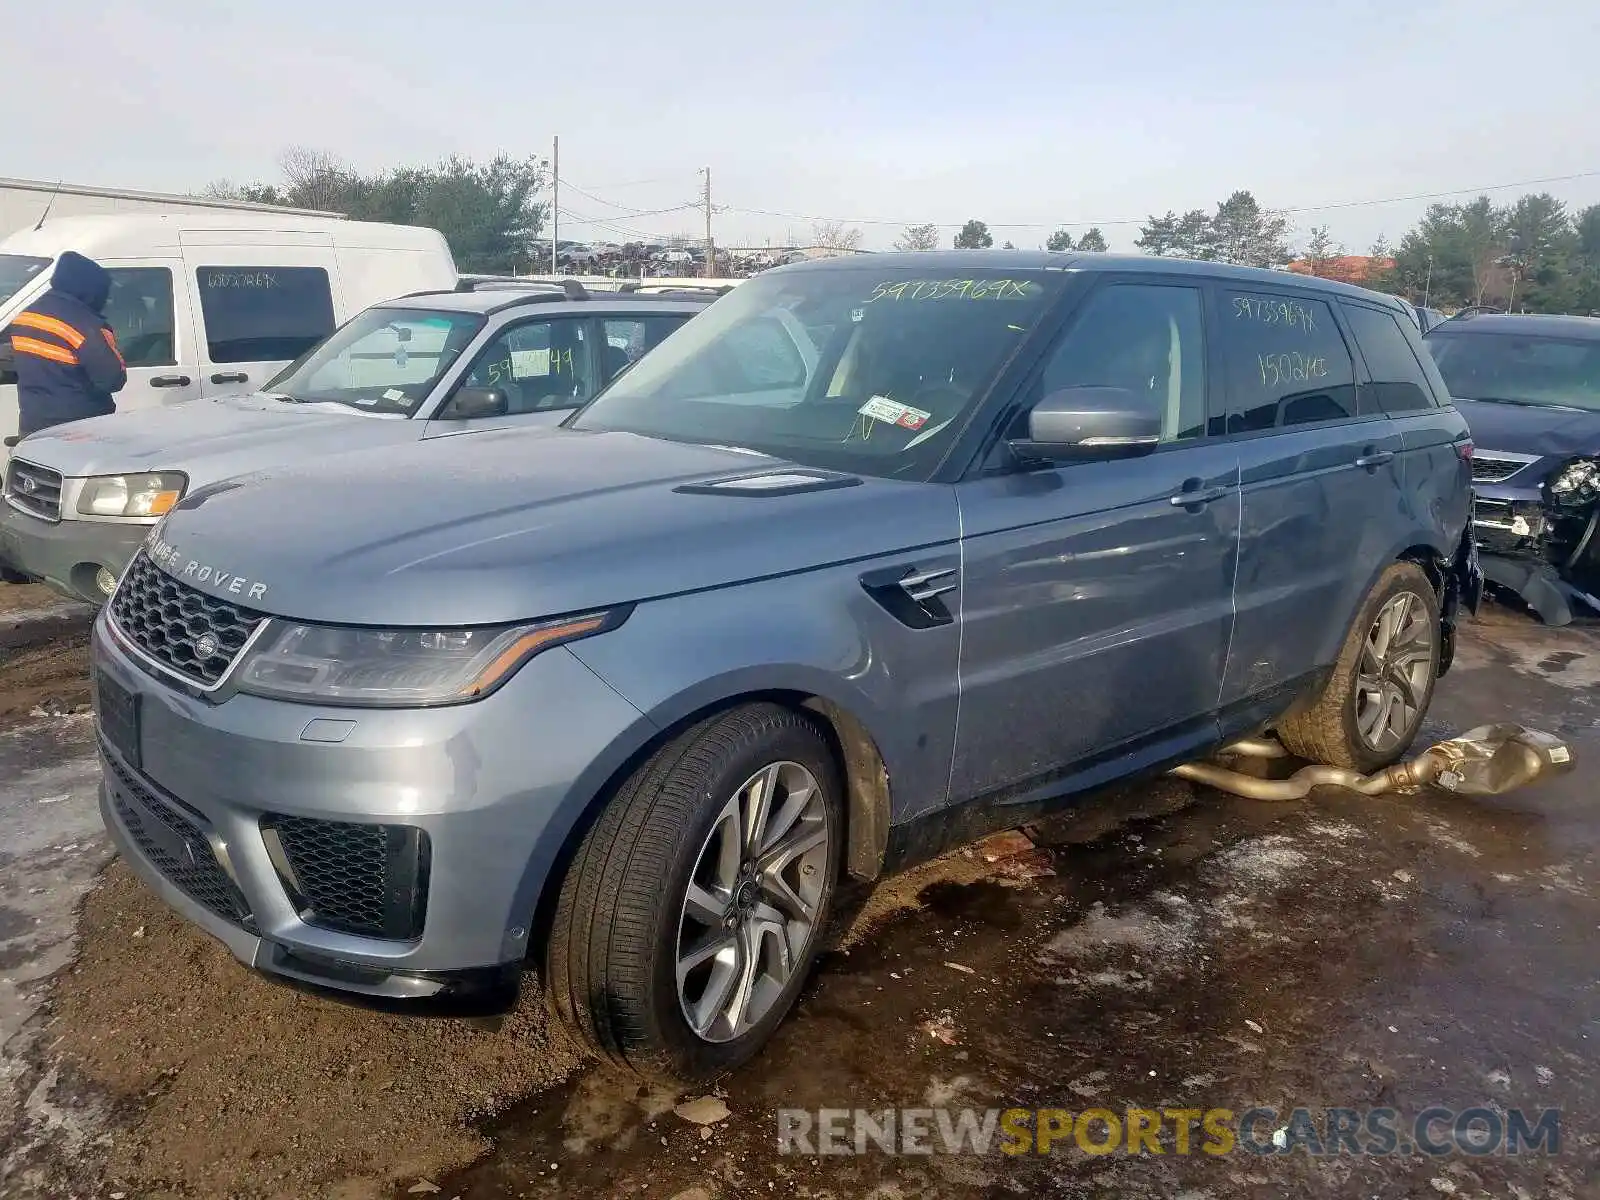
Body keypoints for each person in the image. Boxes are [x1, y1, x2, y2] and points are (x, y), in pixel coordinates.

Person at [6, 251, 126, 439]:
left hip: (33, 427)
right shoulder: (85, 325)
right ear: (89, 289)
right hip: (79, 432)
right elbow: (112, 379)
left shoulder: (26, 316)